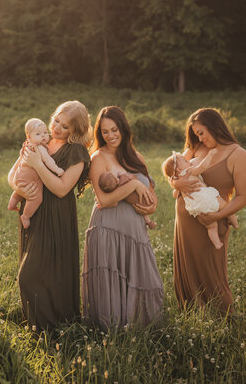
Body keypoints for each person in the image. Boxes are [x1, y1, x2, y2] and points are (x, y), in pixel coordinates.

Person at [8, 101, 91, 332]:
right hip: (33, 210)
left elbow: (62, 188)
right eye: (56, 120)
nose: (56, 128)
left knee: (33, 273)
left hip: (56, 214)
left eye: (65, 127)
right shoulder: (40, 140)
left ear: (75, 132)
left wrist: (38, 164)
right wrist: (19, 189)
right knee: (37, 268)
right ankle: (36, 324)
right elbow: (14, 172)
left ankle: (51, 327)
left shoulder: (77, 152)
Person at [82, 106, 163, 331]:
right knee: (112, 276)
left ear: (123, 129)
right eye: (105, 131)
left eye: (114, 129)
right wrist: (134, 185)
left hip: (135, 227)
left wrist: (149, 206)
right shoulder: (98, 157)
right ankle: (111, 329)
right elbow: (105, 200)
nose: (110, 135)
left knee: (142, 275)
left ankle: (141, 326)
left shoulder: (136, 157)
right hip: (108, 226)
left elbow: (152, 200)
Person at [165, 107, 246, 313]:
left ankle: (220, 315)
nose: (200, 138)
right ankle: (191, 312)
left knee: (211, 272)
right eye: (196, 134)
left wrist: (217, 215)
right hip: (186, 222)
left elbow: (243, 196)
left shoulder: (238, 155)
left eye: (201, 132)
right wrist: (176, 184)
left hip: (214, 218)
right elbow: (173, 168)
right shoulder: (196, 147)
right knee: (188, 268)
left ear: (214, 126)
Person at [162, 150, 238, 249]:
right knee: (225, 206)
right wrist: (209, 155)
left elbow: (175, 193)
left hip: (196, 208)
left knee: (211, 226)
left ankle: (217, 243)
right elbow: (202, 167)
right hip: (207, 199)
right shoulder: (189, 170)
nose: (188, 161)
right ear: (180, 169)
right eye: (185, 161)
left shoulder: (178, 179)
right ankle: (234, 222)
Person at [7, 118, 64, 229]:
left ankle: (12, 204)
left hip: (20, 175)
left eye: (45, 133)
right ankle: (26, 216)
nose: (43, 136)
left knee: (20, 189)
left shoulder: (26, 145)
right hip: (30, 178)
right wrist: (57, 169)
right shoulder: (40, 148)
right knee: (36, 198)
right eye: (38, 134)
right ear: (29, 136)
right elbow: (48, 160)